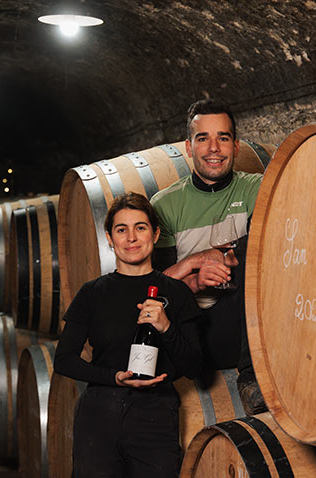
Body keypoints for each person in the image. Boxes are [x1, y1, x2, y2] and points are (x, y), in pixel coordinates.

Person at [53, 192, 202, 478]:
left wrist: (166, 327)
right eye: (121, 230)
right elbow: (64, 360)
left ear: (155, 234)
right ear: (109, 238)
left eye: (140, 227)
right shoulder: (92, 293)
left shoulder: (176, 293)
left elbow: (194, 366)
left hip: (155, 417)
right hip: (99, 417)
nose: (131, 238)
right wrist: (114, 377)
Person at [150, 98, 267, 415]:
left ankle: (254, 374)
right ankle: (252, 377)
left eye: (223, 138)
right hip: (197, 334)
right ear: (189, 148)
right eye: (203, 138)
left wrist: (225, 255)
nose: (214, 148)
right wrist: (197, 279)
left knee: (260, 243)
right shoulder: (165, 205)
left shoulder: (256, 189)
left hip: (250, 323)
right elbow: (158, 289)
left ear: (236, 146)